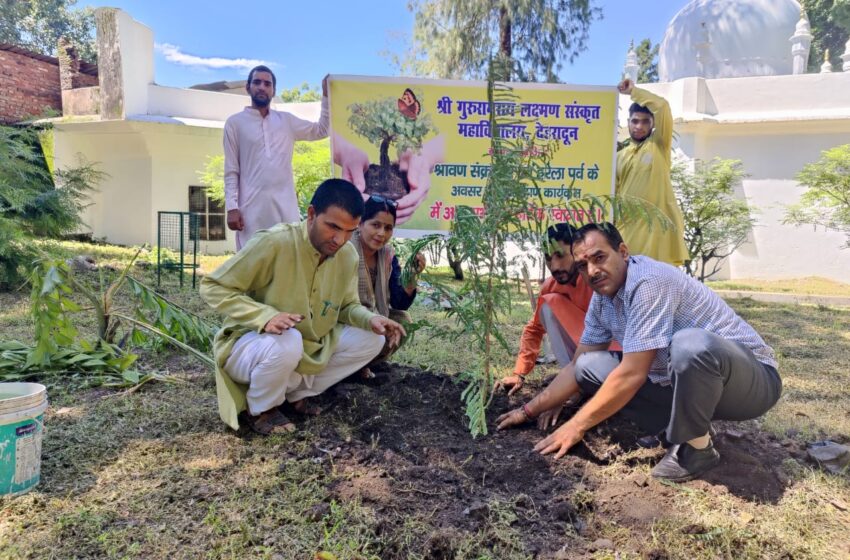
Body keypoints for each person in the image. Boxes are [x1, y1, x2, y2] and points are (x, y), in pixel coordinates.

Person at [497, 223, 782, 482]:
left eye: (599, 258)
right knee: (589, 367)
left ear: (622, 252)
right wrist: (529, 410)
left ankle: (696, 450)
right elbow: (575, 364)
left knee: (689, 345)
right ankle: (678, 430)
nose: (592, 271)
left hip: (751, 382)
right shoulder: (603, 298)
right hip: (684, 384)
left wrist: (575, 426)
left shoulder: (648, 281)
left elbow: (632, 373)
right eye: (583, 265)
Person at [200, 179, 406, 434]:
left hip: (307, 348)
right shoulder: (276, 242)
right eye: (332, 226)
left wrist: (370, 320)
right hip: (251, 347)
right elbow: (213, 286)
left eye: (348, 231)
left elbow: (347, 305)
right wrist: (264, 317)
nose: (339, 239)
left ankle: (296, 393)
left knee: (372, 339)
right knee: (289, 340)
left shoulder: (347, 255)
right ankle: (263, 410)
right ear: (311, 214)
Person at [224, 65, 329, 249]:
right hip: (251, 214)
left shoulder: (286, 121)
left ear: (273, 91)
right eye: (257, 82)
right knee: (252, 269)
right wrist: (232, 208)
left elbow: (321, 130)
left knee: (287, 267)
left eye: (267, 83)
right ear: (248, 88)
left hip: (285, 213)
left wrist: (327, 96)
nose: (262, 87)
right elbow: (232, 170)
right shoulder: (235, 123)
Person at [497, 223, 595, 397]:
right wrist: (519, 373)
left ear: (577, 252)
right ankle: (573, 381)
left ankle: (576, 381)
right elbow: (534, 330)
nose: (555, 266)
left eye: (560, 255)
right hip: (582, 358)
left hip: (616, 356)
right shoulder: (550, 287)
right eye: (548, 257)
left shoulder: (597, 279)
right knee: (547, 307)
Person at [616, 78, 689, 266]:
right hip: (627, 229)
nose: (639, 126)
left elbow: (663, 106)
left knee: (656, 283)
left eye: (645, 122)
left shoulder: (659, 146)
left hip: (655, 232)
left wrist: (633, 91)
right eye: (635, 121)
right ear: (628, 123)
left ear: (653, 124)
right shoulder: (619, 156)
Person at [351, 195, 426, 377]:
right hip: (346, 319)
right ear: (360, 223)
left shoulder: (387, 256)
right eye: (375, 225)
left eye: (388, 228)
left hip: (373, 318)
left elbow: (399, 303)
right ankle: (345, 367)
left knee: (402, 322)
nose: (381, 233)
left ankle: (359, 366)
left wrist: (412, 274)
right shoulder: (345, 250)